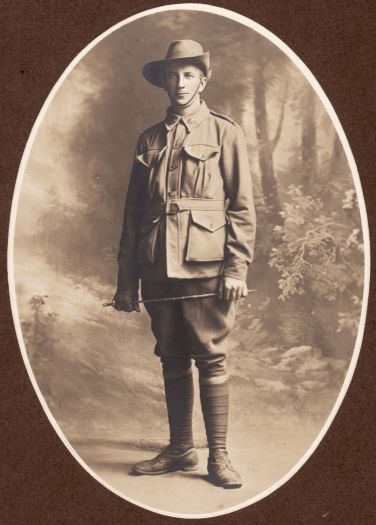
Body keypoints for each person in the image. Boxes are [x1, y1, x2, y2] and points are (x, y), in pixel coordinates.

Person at [113, 40, 256, 489]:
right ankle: (180, 448)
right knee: (172, 357)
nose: (180, 83)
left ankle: (219, 456)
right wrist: (126, 281)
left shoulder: (224, 133)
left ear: (203, 80)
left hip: (207, 267)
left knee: (211, 359)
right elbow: (134, 213)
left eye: (189, 75)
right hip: (158, 267)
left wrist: (237, 269)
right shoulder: (149, 139)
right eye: (173, 75)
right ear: (164, 82)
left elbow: (242, 208)